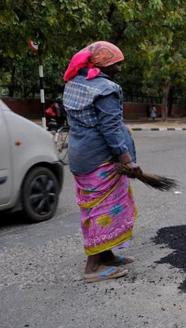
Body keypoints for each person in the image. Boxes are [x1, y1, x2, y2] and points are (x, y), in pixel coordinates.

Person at [63, 41, 139, 282]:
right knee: (102, 210)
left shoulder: (74, 84)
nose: (119, 69)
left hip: (79, 156)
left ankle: (106, 255)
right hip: (100, 159)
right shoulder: (105, 89)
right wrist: (127, 159)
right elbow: (111, 128)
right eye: (117, 64)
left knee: (93, 206)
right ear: (105, 64)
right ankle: (93, 267)